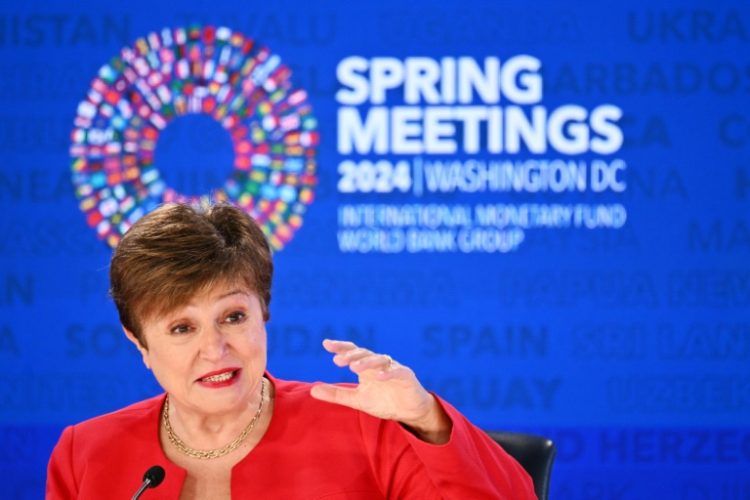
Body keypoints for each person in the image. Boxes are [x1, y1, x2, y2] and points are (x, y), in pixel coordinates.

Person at [46, 203, 535, 499]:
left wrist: (427, 418)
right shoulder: (85, 454)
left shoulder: (366, 427)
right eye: (181, 328)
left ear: (265, 313)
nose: (215, 349)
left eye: (233, 317)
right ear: (140, 342)